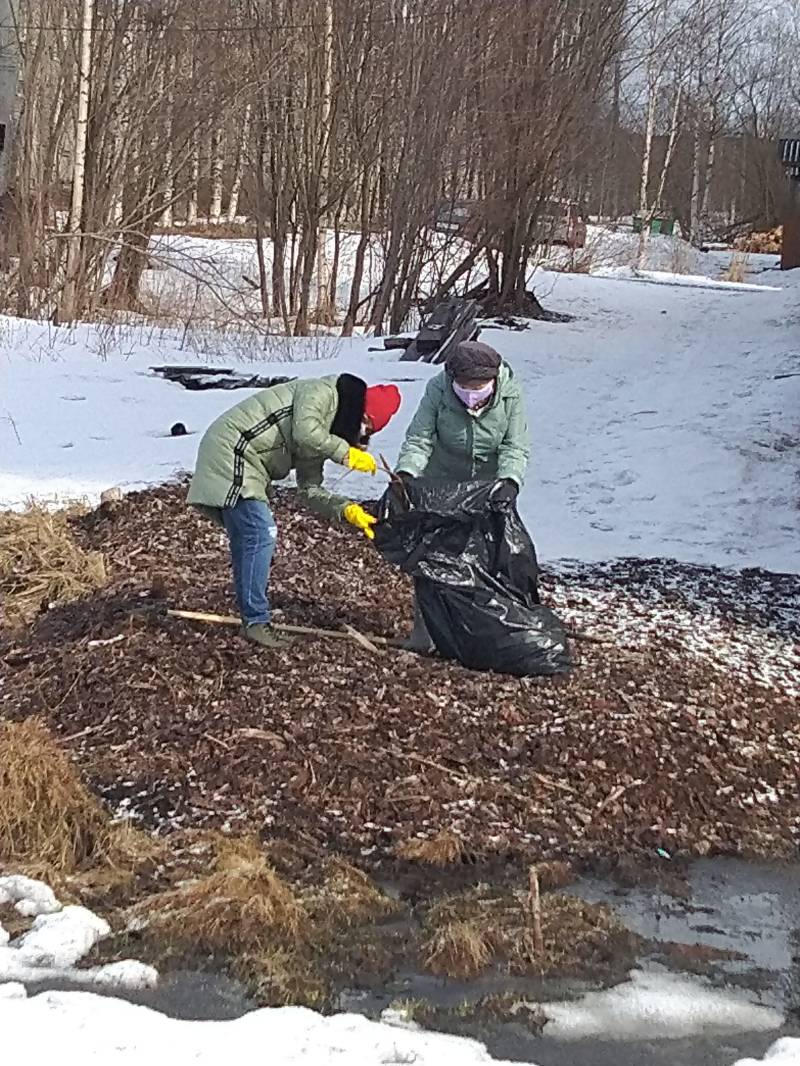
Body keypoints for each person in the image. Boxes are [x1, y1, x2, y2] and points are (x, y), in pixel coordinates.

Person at [188, 373, 401, 648]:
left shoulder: (327, 433)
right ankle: (256, 622)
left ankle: (253, 620)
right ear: (359, 408)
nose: (362, 432)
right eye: (366, 423)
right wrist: (345, 453)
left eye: (369, 431)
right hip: (234, 448)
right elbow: (305, 432)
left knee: (250, 538)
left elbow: (309, 489)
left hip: (250, 463)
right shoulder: (322, 392)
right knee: (261, 533)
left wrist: (346, 510)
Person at [395, 339, 530, 652]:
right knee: (432, 557)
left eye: (481, 387)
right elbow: (420, 438)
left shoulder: (511, 395)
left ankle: (480, 634)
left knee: (485, 560)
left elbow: (515, 445)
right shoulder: (437, 391)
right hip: (441, 482)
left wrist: (509, 481)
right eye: (466, 386)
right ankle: (425, 634)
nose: (473, 394)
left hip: (488, 488)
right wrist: (406, 474)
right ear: (452, 378)